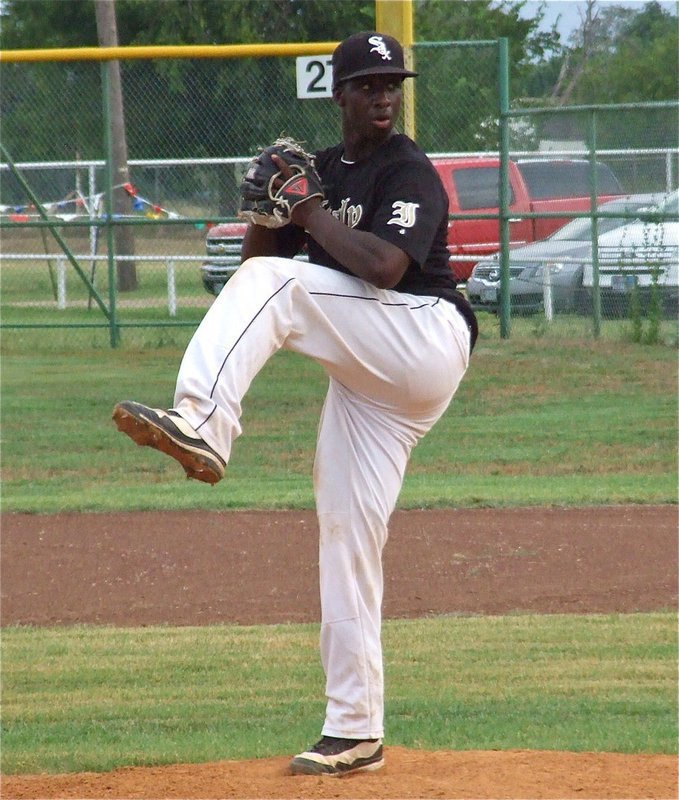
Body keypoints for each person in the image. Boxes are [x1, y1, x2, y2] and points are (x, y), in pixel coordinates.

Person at [113, 30, 478, 777]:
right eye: (368, 84)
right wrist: (267, 214)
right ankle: (355, 729)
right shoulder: (324, 169)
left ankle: (202, 422)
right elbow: (257, 272)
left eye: (392, 84)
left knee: (279, 288)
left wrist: (308, 212)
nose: (383, 96)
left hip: (423, 335)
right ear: (339, 93)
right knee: (345, 532)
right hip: (370, 380)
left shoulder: (407, 170)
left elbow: (384, 267)